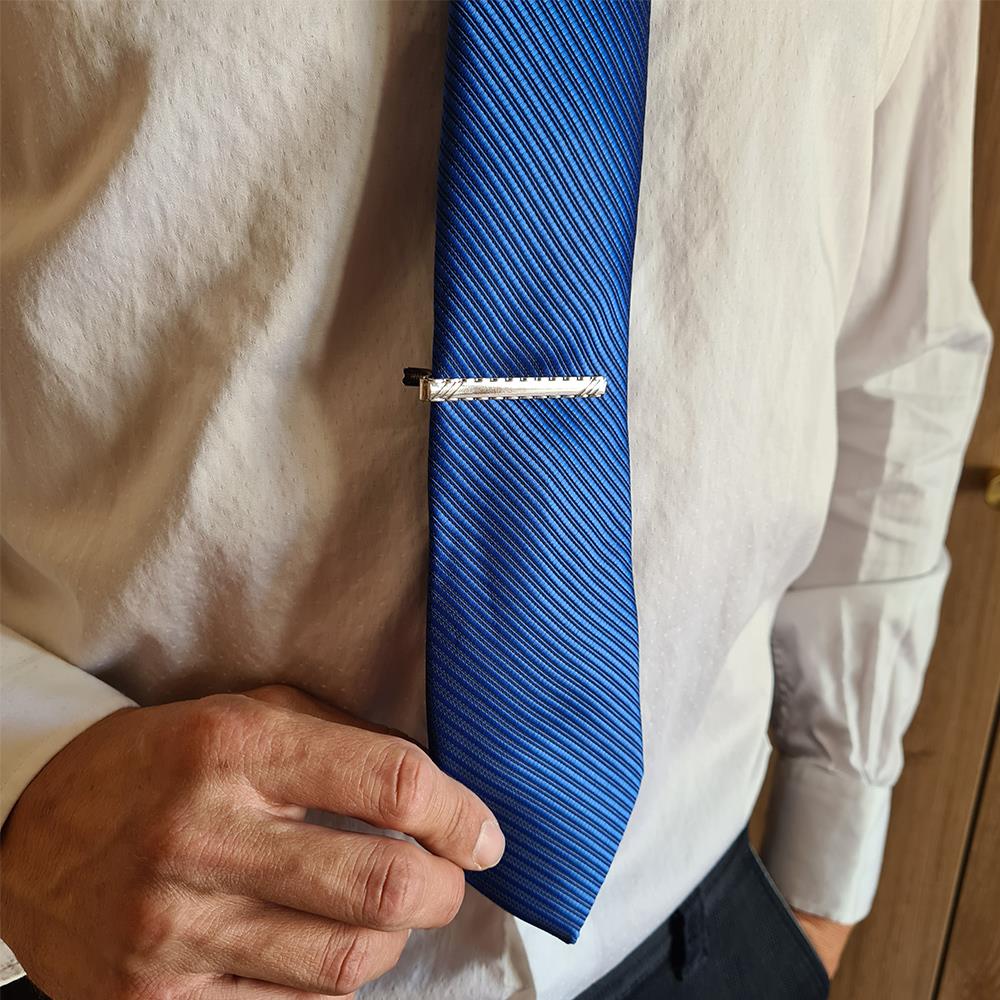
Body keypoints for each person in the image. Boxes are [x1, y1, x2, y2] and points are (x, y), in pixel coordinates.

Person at [0, 1, 991, 998]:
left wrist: (824, 863)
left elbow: (897, 340)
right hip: (127, 935)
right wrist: (23, 782)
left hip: (698, 918)